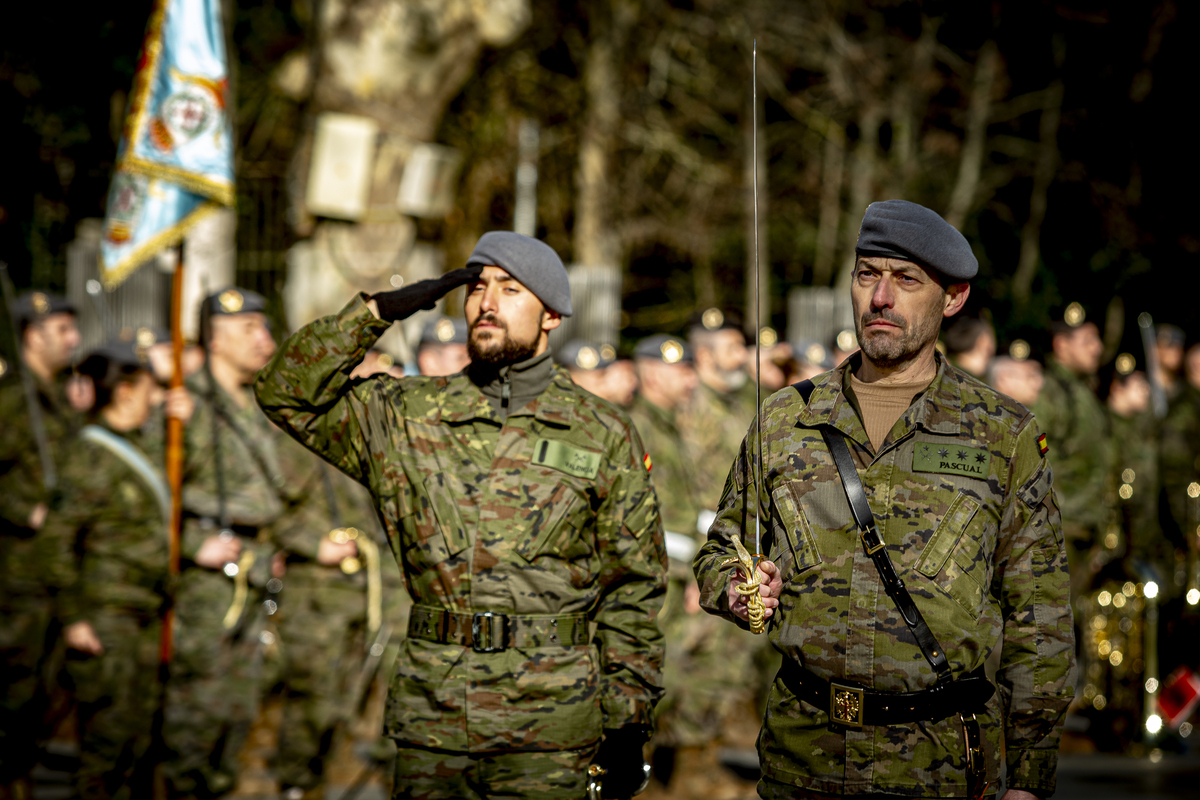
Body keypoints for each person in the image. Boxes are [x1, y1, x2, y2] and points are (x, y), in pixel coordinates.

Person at [255, 231, 667, 800]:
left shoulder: (601, 431)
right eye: (476, 287)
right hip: (435, 717)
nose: (486, 302)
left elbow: (633, 589)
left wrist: (628, 721)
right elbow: (285, 392)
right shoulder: (408, 412)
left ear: (551, 314)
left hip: (549, 721)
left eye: (509, 288)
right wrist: (377, 312)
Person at [694, 200, 1075, 799]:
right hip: (804, 757)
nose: (881, 298)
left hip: (938, 763)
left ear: (952, 298)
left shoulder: (1002, 433)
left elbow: (1040, 614)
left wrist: (1028, 776)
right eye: (868, 273)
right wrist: (740, 591)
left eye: (906, 280)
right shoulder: (786, 419)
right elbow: (721, 549)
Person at [161, 288, 287, 798]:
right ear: (215, 339)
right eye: (249, 329)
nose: (266, 340)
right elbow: (151, 496)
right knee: (196, 711)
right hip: (208, 578)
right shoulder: (185, 403)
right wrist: (192, 546)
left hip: (256, 568)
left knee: (240, 709)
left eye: (263, 326)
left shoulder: (260, 401)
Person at [41, 341, 172, 799]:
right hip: (106, 614)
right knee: (107, 743)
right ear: (124, 391)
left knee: (137, 741)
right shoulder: (90, 455)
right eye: (149, 390)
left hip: (145, 611)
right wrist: (74, 617)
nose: (156, 400)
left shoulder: (144, 445)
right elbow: (57, 540)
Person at [1, 290, 80, 792]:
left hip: (57, 569)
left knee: (46, 691)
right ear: (32, 336)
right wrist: (19, 509)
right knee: (14, 688)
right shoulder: (15, 400)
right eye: (62, 330)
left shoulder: (57, 399)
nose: (73, 339)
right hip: (21, 570)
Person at [1032, 304, 1115, 601]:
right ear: (1062, 345)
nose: (1098, 348)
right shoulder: (1051, 392)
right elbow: (1035, 452)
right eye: (1087, 341)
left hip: (1085, 529)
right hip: (1062, 530)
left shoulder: (1083, 390)